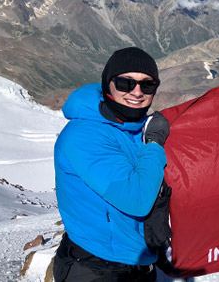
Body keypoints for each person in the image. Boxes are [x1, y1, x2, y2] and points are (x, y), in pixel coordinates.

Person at [53, 47, 171, 281]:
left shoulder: (134, 125)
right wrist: (155, 143)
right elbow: (136, 199)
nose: (137, 92)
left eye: (147, 85)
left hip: (139, 262)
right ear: (108, 85)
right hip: (96, 269)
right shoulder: (84, 135)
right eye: (125, 83)